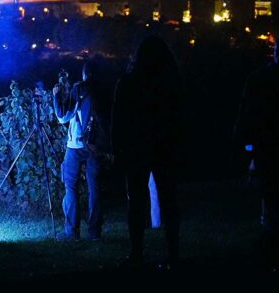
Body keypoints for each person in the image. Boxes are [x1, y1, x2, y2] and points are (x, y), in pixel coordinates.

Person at [234, 33, 279, 272]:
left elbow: (247, 116)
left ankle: (273, 249)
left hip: (268, 149)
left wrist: (248, 148)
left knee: (271, 198)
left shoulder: (260, 79)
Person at [113, 37, 183, 269]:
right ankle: (173, 254)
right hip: (164, 148)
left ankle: (137, 253)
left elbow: (118, 120)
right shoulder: (170, 83)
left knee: (136, 202)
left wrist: (117, 150)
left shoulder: (128, 83)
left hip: (136, 148)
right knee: (169, 200)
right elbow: (179, 117)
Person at [53, 59, 108, 240]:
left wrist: (56, 97)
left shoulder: (79, 88)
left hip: (76, 146)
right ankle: (94, 232)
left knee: (70, 186)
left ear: (85, 73)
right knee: (95, 188)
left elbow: (62, 117)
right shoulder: (104, 89)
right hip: (96, 146)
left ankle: (72, 232)